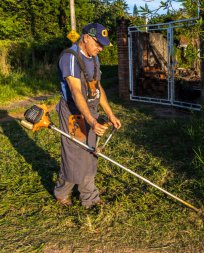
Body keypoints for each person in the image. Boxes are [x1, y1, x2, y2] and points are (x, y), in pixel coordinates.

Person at [54, 23, 121, 208]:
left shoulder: (94, 57)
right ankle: (62, 192)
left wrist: (110, 113)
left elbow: (97, 87)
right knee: (75, 155)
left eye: (102, 45)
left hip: (90, 109)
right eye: (98, 44)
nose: (100, 48)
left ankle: (89, 196)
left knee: (90, 153)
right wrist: (91, 121)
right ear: (86, 38)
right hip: (73, 113)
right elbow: (76, 92)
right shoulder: (70, 58)